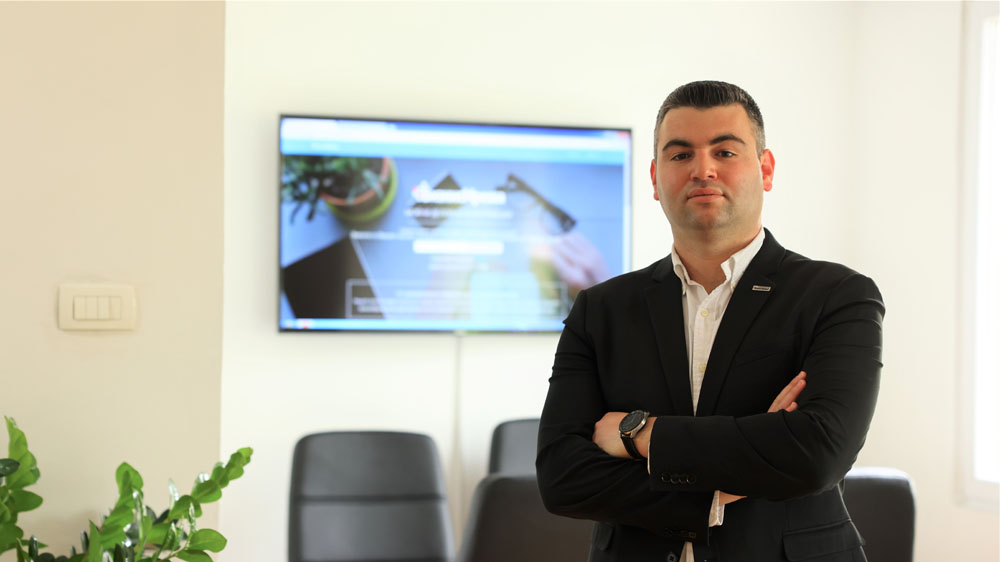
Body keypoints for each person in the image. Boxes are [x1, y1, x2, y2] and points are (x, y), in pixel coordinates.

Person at [536, 81, 884, 562]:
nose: (703, 169)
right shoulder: (600, 308)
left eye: (725, 151)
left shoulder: (837, 295)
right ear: (655, 179)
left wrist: (638, 434)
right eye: (681, 155)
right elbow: (562, 478)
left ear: (765, 169)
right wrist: (723, 486)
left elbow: (817, 454)